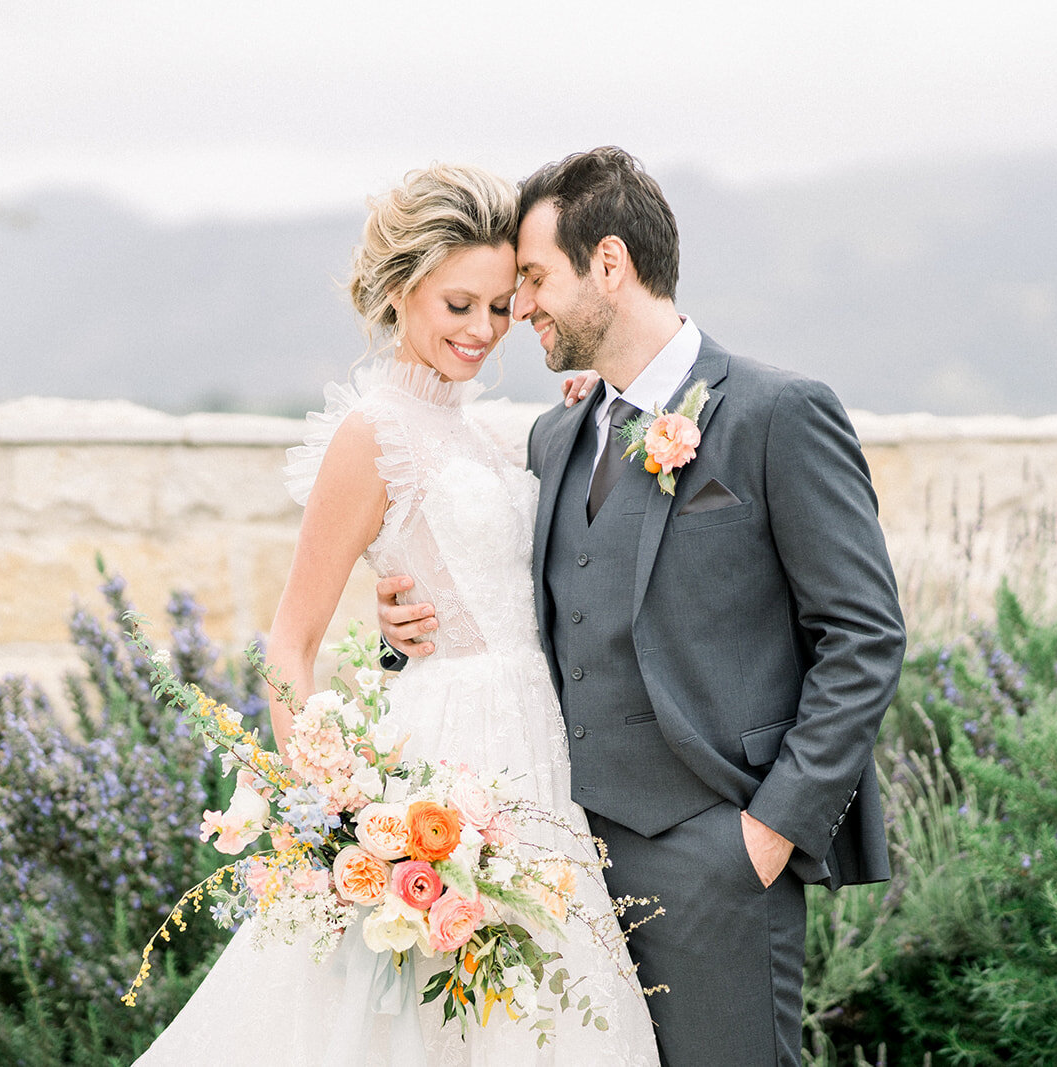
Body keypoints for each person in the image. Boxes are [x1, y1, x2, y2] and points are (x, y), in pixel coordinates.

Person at [377, 147, 907, 1066]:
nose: (523, 308)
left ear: (610, 265)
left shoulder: (778, 413)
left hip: (718, 861)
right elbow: (495, 596)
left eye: (535, 278)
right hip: (558, 871)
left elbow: (864, 635)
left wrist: (767, 834)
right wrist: (404, 630)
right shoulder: (552, 435)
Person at [134, 163, 659, 1065]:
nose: (483, 331)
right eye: (459, 304)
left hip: (539, 762)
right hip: (443, 770)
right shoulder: (370, 434)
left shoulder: (497, 430)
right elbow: (289, 643)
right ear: (398, 288)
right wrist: (327, 816)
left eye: (500, 307)